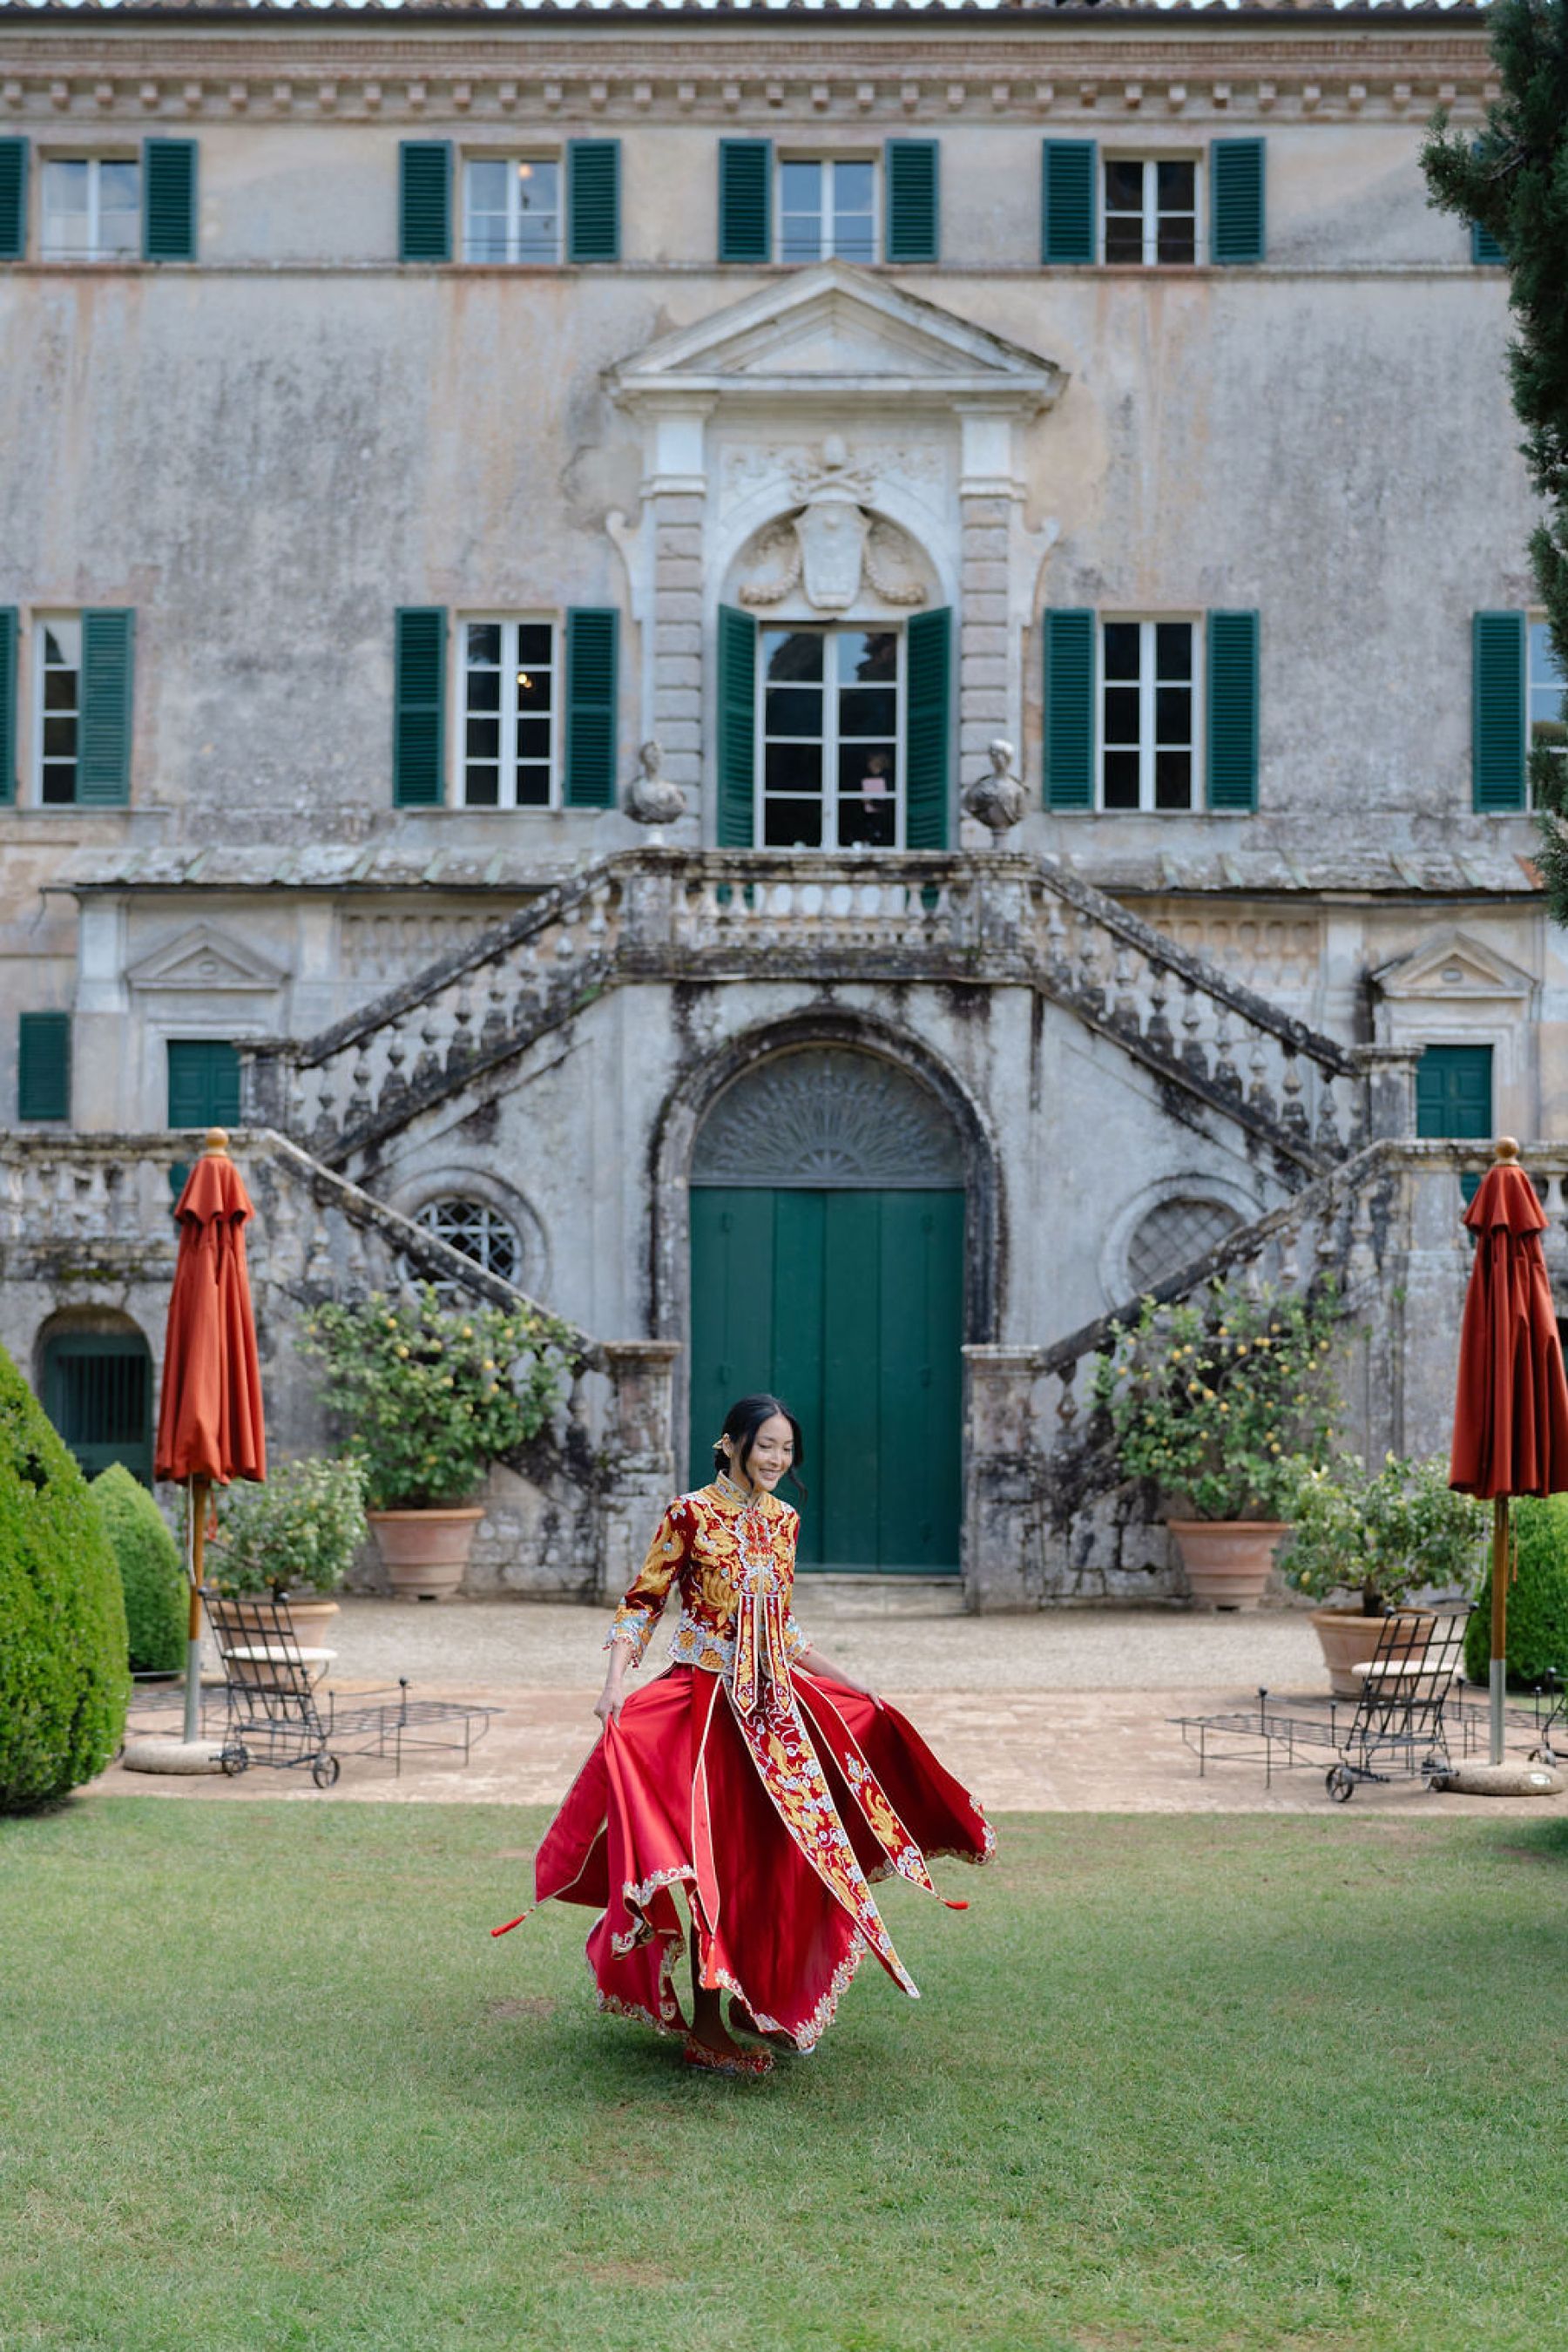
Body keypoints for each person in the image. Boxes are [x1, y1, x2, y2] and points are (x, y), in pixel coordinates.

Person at [508, 1394, 994, 2078]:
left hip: (773, 1718)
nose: (776, 1460)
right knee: (713, 1865)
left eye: (786, 1450)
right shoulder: (690, 1513)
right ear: (731, 1443)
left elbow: (783, 1627)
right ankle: (707, 2026)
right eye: (765, 1446)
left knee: (779, 1865)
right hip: (700, 1714)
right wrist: (615, 1683)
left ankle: (751, 2003)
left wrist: (853, 1683)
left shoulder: (785, 1521)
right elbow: (643, 1603)